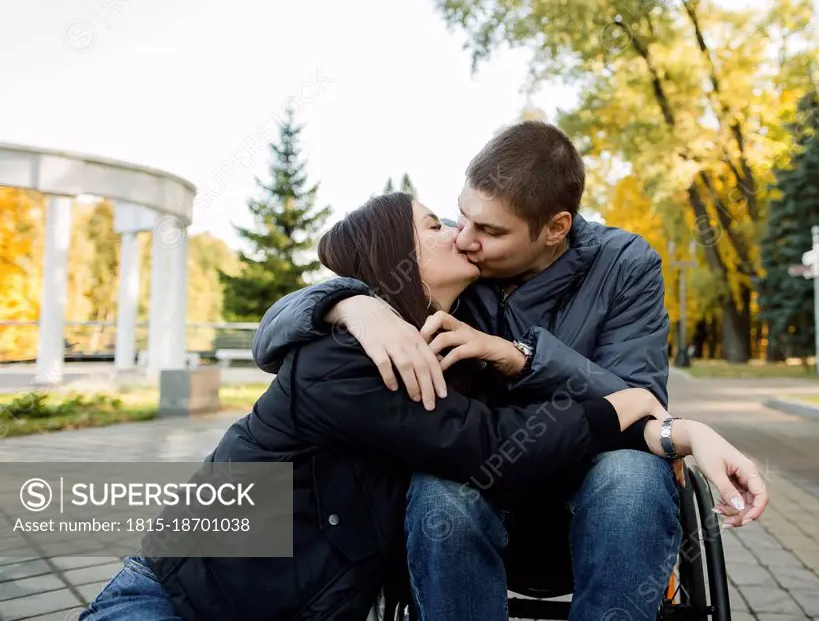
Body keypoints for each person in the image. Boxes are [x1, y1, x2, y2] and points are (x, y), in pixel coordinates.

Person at [79, 193, 760, 621]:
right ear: (393, 257)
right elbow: (491, 447)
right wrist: (622, 406)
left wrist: (681, 427)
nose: (461, 235)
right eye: (436, 225)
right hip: (177, 602)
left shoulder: (443, 344)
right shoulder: (346, 358)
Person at [249, 122, 768, 620]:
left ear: (555, 228)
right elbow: (296, 320)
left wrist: (520, 356)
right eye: (460, 217)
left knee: (629, 477)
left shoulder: (625, 263)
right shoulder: (458, 268)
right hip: (482, 475)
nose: (464, 238)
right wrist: (348, 304)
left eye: (489, 231)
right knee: (442, 491)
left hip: (594, 484)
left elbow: (640, 399)